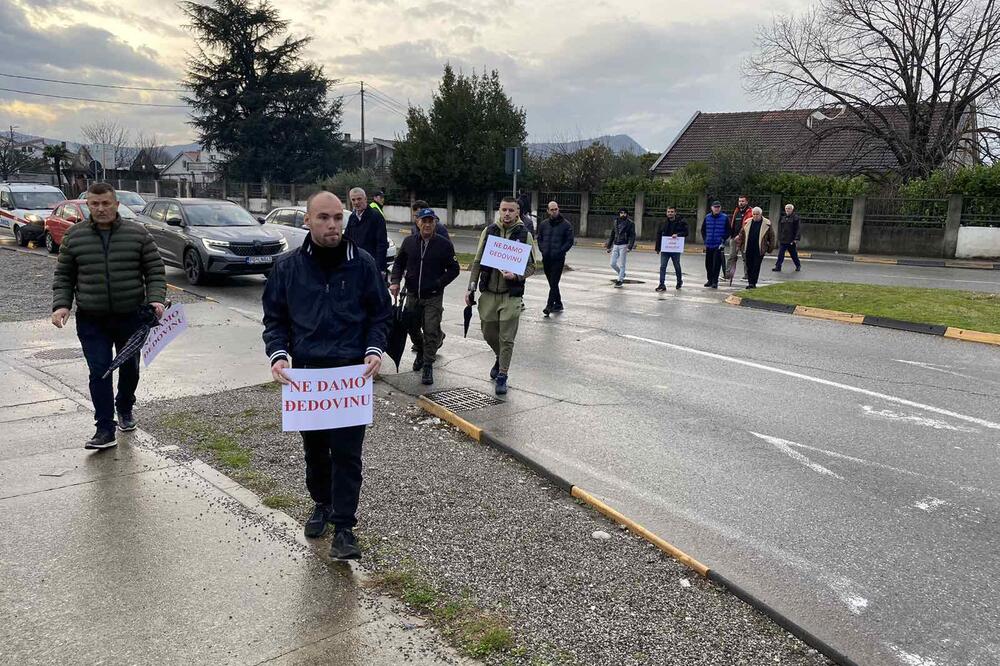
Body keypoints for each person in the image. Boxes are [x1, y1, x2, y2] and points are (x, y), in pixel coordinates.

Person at [263, 191, 391, 560]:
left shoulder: (363, 264)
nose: (333, 224)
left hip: (350, 378)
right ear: (307, 221)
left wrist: (373, 349)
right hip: (308, 379)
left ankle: (345, 527)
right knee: (316, 451)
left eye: (338, 217)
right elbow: (275, 318)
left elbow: (380, 314)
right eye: (324, 218)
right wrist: (279, 355)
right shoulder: (287, 267)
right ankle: (320, 502)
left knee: (348, 454)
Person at [51, 182, 166, 450]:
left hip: (131, 318)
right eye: (94, 204)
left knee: (129, 369)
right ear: (88, 205)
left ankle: (125, 406)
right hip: (93, 319)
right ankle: (104, 428)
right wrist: (61, 305)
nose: (100, 209)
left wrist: (157, 300)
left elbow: (155, 271)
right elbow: (64, 275)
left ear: (116, 204)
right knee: (99, 371)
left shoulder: (138, 234)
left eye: (105, 203)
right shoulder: (74, 236)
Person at [466, 197, 536, 396]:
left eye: (511, 210)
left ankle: (503, 375)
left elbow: (532, 267)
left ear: (517, 212)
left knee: (507, 339)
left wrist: (516, 275)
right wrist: (471, 288)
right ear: (499, 211)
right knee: (488, 332)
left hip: (511, 295)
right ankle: (499, 357)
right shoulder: (489, 232)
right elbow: (478, 261)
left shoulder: (524, 234)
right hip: (488, 292)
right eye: (504, 209)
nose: (507, 214)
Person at [390, 208, 460, 385]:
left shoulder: (444, 244)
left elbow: (454, 269)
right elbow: (398, 264)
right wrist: (395, 281)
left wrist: (438, 283)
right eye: (424, 221)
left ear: (435, 223)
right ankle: (421, 350)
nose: (427, 224)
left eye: (431, 221)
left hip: (433, 297)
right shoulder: (409, 242)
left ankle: (428, 364)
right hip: (412, 294)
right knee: (412, 328)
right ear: (418, 222)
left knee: (430, 329)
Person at [536, 200, 575, 315]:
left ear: (558, 209)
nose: (554, 211)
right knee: (552, 282)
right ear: (548, 211)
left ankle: (549, 305)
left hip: (558, 259)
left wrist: (560, 251)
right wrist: (542, 249)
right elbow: (540, 238)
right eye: (552, 209)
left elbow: (569, 241)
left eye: (556, 209)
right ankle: (558, 304)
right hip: (546, 258)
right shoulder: (543, 224)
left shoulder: (566, 225)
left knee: (554, 282)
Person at [345, 187, 389, 274]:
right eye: (353, 200)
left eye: (359, 199)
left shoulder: (376, 216)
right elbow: (347, 240)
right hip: (355, 264)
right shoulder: (352, 217)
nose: (356, 202)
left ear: (365, 199)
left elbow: (382, 243)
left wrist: (380, 268)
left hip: (371, 265)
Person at [736, 206, 776, 289]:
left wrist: (770, 248)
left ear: (761, 214)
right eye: (753, 214)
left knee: (756, 266)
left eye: (757, 214)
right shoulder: (748, 222)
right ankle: (750, 281)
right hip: (748, 247)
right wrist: (739, 246)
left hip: (759, 249)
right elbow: (741, 235)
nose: (755, 216)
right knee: (749, 265)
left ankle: (753, 283)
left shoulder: (767, 223)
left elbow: (772, 237)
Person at [654, 206, 688, 291]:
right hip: (665, 248)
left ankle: (679, 281)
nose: (670, 213)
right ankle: (662, 284)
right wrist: (657, 248)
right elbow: (659, 234)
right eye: (668, 211)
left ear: (675, 213)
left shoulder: (681, 222)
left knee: (677, 266)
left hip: (675, 249)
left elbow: (686, 232)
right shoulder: (663, 222)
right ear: (666, 213)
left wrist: (678, 234)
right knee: (663, 266)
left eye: (672, 212)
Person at [700, 201, 728, 288]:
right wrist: (705, 239)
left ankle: (715, 281)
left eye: (718, 207)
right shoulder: (707, 217)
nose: (717, 209)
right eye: (715, 207)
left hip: (718, 244)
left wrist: (723, 239)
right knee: (708, 263)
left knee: (716, 264)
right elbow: (703, 230)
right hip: (709, 244)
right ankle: (709, 280)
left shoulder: (725, 218)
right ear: (712, 208)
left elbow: (728, 230)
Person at [725, 195, 754, 281]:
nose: (741, 203)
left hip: (744, 239)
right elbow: (733, 223)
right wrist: (732, 235)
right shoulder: (736, 210)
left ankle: (747, 275)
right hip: (734, 237)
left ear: (746, 202)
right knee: (732, 256)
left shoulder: (750, 212)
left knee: (746, 257)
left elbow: (747, 226)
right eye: (739, 201)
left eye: (742, 201)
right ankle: (727, 274)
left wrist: (741, 236)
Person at [605, 208, 636, 287]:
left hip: (624, 245)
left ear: (627, 214)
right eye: (621, 213)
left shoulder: (630, 223)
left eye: (624, 213)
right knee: (612, 263)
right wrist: (609, 246)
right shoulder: (616, 222)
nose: (623, 214)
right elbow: (612, 234)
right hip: (615, 244)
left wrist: (630, 246)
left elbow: (632, 236)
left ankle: (620, 280)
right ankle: (621, 274)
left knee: (622, 264)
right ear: (619, 214)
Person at [773, 203, 802, 272]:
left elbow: (798, 229)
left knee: (793, 254)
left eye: (789, 208)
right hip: (783, 239)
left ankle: (798, 265)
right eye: (786, 208)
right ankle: (778, 266)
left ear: (792, 209)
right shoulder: (783, 218)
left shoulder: (795, 218)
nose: (787, 210)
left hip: (791, 240)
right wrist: (779, 237)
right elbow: (780, 228)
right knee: (781, 254)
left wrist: (796, 238)